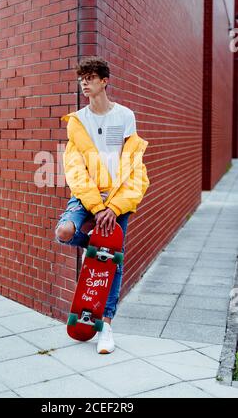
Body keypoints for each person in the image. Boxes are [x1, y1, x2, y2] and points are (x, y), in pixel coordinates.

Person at [55, 56, 149, 354]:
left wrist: (114, 207)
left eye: (91, 77)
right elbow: (75, 171)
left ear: (104, 80)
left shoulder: (125, 116)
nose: (85, 83)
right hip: (87, 197)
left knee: (113, 260)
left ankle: (106, 326)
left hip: (117, 198)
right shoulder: (77, 121)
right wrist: (97, 208)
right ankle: (100, 247)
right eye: (82, 78)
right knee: (65, 232)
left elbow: (133, 167)